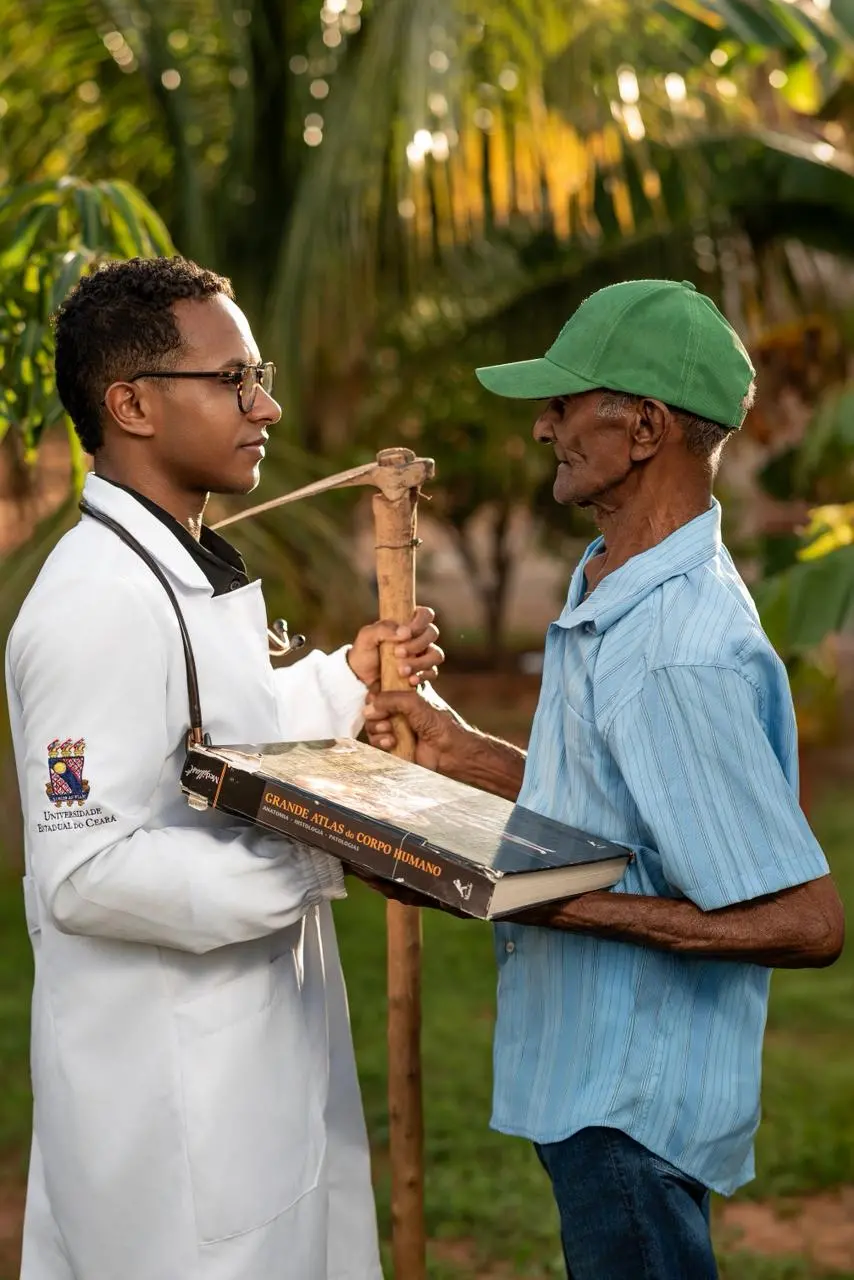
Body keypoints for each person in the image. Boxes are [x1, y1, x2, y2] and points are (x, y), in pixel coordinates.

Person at [362, 278, 845, 1280]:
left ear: (646, 427)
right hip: (589, 1081)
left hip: (631, 1112)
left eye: (564, 402)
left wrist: (559, 905)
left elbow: (806, 919)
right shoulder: (611, 584)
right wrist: (462, 751)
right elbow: (632, 793)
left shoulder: (673, 648)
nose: (542, 426)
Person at [5, 256, 445, 1280]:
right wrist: (322, 858)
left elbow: (205, 744)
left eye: (260, 373)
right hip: (173, 1119)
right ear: (133, 404)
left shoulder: (175, 563)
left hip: (245, 1070)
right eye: (233, 380)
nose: (267, 404)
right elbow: (86, 870)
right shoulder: (91, 605)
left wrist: (344, 679)